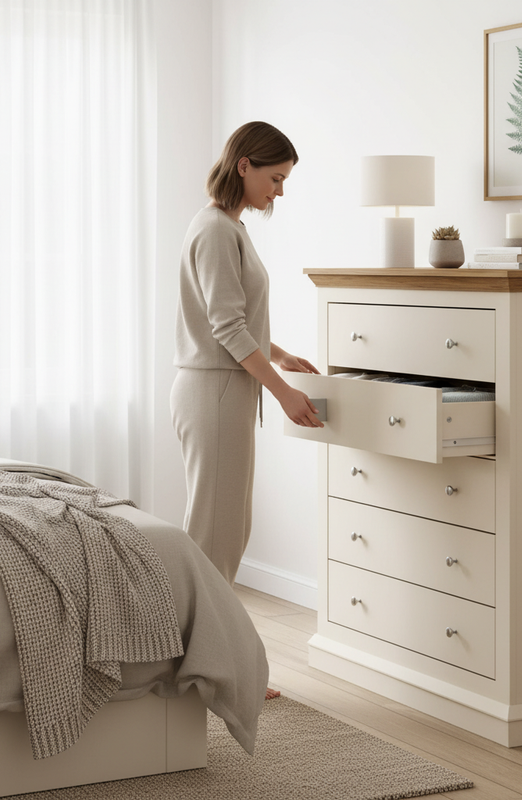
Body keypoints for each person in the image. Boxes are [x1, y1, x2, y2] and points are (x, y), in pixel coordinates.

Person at [171, 122, 323, 699]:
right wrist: (283, 391)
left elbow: (236, 318)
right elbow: (226, 328)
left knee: (224, 533)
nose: (279, 191)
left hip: (222, 391)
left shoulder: (227, 227)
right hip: (215, 392)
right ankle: (207, 671)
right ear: (244, 166)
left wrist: (280, 355)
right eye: (275, 178)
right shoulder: (215, 230)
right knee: (215, 539)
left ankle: (203, 664)